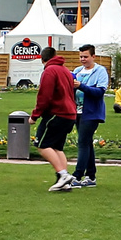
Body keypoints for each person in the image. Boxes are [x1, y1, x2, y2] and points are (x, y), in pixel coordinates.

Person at [30, 45, 78, 191]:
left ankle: (63, 174)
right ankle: (65, 181)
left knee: (42, 144)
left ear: (42, 59)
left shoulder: (50, 71)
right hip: (70, 113)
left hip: (56, 113)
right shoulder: (65, 70)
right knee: (57, 147)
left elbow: (45, 95)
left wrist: (35, 115)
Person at [70, 43, 109, 188]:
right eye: (80, 56)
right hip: (77, 111)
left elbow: (99, 92)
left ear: (93, 56)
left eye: (85, 56)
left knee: (82, 142)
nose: (82, 59)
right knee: (86, 143)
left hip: (92, 113)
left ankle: (77, 175)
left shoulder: (100, 71)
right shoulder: (78, 71)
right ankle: (91, 176)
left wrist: (81, 86)